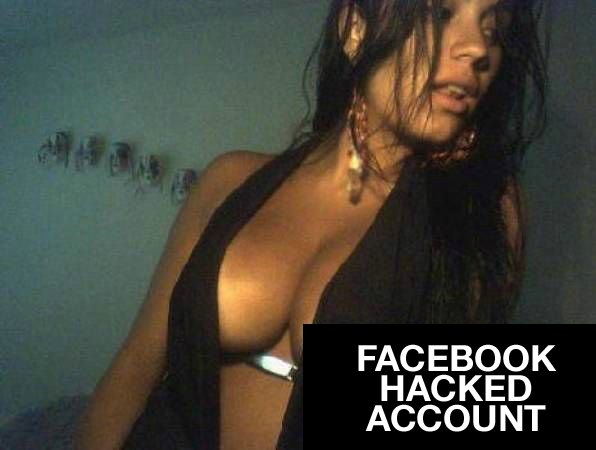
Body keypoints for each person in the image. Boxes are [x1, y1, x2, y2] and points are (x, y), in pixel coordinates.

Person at [73, 0, 547, 449]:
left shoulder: (482, 213)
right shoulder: (230, 180)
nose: (478, 48)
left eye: (494, 29)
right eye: (440, 12)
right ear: (355, 29)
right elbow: (135, 366)